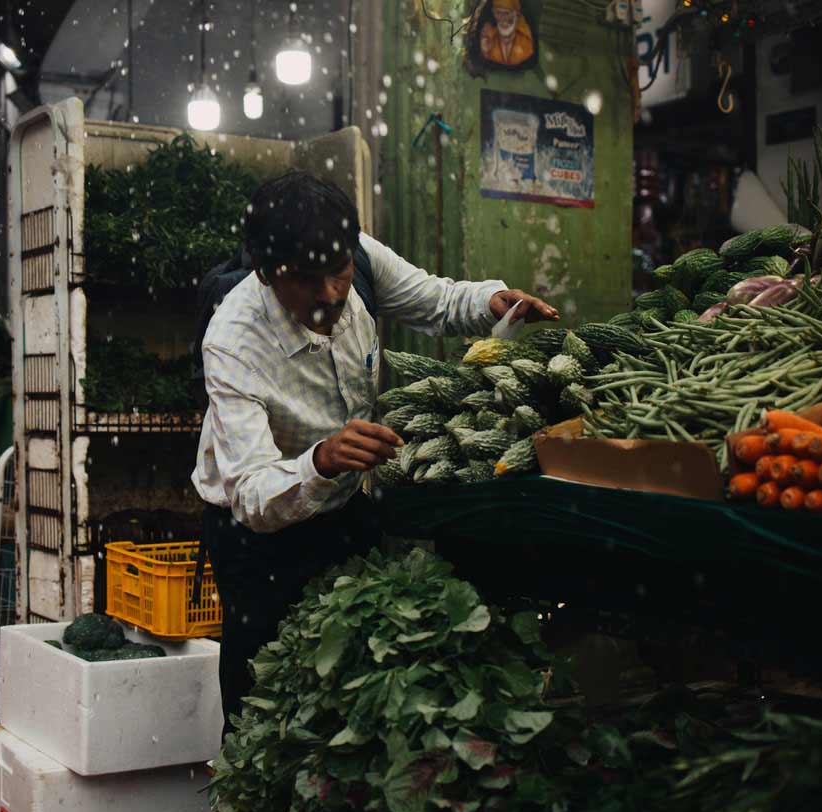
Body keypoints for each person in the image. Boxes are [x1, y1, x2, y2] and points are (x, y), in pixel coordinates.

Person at [194, 171, 558, 731]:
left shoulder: (356, 258)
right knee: (264, 703)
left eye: (338, 274)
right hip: (259, 543)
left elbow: (434, 299)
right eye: (309, 281)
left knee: (354, 685)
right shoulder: (232, 342)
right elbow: (251, 494)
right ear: (267, 274)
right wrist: (320, 459)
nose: (332, 294)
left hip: (345, 508)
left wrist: (490, 301)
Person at [480, 0, 536, 67]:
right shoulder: (489, 39)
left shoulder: (526, 44)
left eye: (507, 13)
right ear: (494, 13)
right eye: (498, 13)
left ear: (517, 15)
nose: (503, 19)